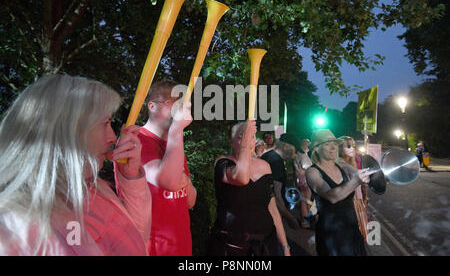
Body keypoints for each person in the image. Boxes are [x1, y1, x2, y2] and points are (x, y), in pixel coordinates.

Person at [0, 74, 151, 255]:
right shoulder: (11, 230)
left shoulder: (90, 189)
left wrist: (131, 176)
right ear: (67, 130)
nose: (113, 137)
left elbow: (136, 236)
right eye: (105, 123)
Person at [208, 121, 291, 256]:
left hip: (265, 244)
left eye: (251, 136)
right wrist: (246, 141)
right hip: (231, 246)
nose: (248, 140)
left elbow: (272, 209)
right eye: (242, 136)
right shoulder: (223, 163)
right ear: (231, 141)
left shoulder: (265, 166)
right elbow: (241, 177)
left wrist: (285, 246)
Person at [138, 80, 196, 256]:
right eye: (172, 103)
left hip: (181, 245)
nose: (179, 109)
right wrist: (177, 129)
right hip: (152, 248)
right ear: (152, 106)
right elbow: (169, 181)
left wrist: (184, 180)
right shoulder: (136, 139)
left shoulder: (173, 142)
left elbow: (190, 200)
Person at [305, 129, 372, 256]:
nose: (332, 147)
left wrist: (371, 175)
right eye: (326, 144)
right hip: (331, 236)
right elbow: (333, 196)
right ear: (316, 149)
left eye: (335, 144)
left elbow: (361, 175)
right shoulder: (312, 172)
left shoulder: (342, 165)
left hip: (352, 230)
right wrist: (357, 180)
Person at [261, 133, 301, 230]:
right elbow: (276, 197)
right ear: (286, 146)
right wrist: (290, 219)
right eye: (295, 151)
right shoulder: (277, 162)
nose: (295, 155)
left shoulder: (267, 155)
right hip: (269, 214)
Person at [338, 136, 369, 242]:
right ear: (340, 148)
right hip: (347, 204)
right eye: (348, 146)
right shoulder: (340, 164)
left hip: (357, 202)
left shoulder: (352, 163)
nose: (352, 149)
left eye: (353, 146)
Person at [294, 139, 313, 228]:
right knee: (305, 200)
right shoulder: (302, 155)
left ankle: (305, 220)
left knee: (304, 199)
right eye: (307, 144)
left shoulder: (298, 154)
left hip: (300, 179)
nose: (308, 145)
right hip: (305, 179)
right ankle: (305, 220)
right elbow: (306, 166)